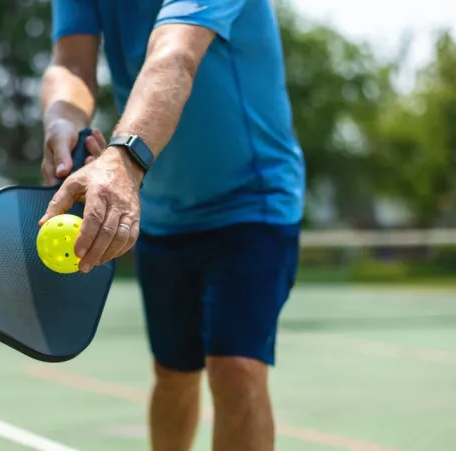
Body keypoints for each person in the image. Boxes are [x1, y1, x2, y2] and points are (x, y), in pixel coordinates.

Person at [39, 1, 305, 449]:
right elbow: (71, 63)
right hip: (161, 208)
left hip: (252, 200)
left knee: (237, 369)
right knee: (173, 371)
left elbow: (174, 54)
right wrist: (63, 120)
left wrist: (123, 160)